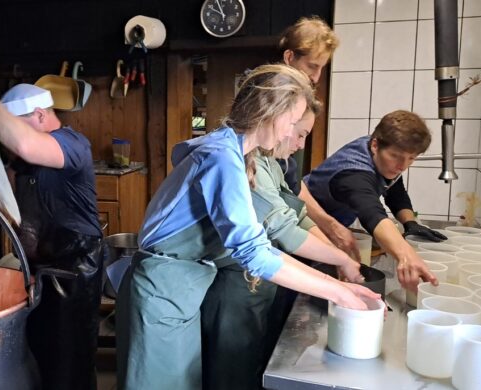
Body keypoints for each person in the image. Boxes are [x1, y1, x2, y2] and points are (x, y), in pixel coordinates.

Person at [115, 64, 379, 390]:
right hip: (163, 291)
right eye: (292, 121)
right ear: (267, 110)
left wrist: (339, 273)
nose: (290, 133)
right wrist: (339, 289)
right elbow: (256, 254)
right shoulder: (221, 157)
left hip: (182, 289)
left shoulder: (237, 154)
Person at [0, 83, 104, 390]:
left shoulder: (71, 143)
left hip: (75, 272)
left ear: (41, 115)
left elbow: (26, 145)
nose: (10, 144)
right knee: (38, 357)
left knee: (69, 364)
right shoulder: (21, 160)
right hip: (38, 269)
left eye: (13, 129)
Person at [302, 110, 443, 292]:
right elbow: (371, 213)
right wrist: (406, 255)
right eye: (396, 156)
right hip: (303, 227)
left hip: (330, 229)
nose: (403, 165)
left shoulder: (383, 152)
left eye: (411, 159)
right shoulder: (353, 173)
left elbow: (394, 190)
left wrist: (409, 222)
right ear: (375, 145)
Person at [275, 16, 364, 263]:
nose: (316, 77)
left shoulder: (294, 112)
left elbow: (290, 180)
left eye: (322, 68)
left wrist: (328, 225)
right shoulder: (271, 110)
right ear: (289, 57)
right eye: (312, 66)